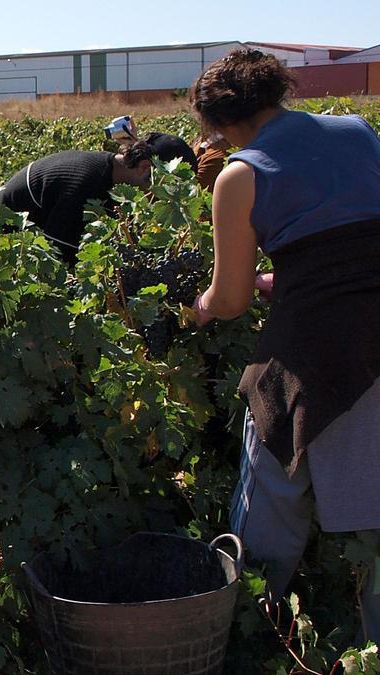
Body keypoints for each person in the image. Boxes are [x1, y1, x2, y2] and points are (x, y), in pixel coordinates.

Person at [189, 49, 380, 642]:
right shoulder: (359, 130)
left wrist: (196, 309)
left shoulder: (239, 176)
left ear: (217, 124)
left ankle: (252, 625)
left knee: (274, 466)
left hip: (318, 348)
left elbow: (230, 301)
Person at [0, 142, 155, 263]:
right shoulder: (87, 182)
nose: (151, 197)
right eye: (154, 188)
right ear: (143, 167)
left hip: (32, 217)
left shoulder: (107, 169)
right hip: (4, 221)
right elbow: (58, 243)